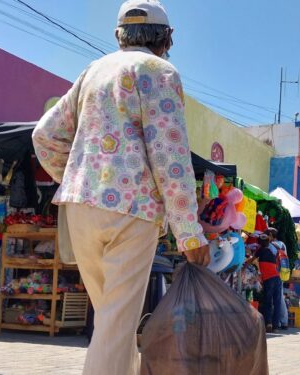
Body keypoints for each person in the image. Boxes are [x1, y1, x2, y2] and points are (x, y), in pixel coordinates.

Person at [32, 1, 209, 374]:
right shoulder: (160, 71)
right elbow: (170, 158)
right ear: (168, 37)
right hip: (132, 211)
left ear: (119, 35)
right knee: (116, 324)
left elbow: (44, 135)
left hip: (80, 206)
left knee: (114, 321)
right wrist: (190, 236)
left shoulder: (93, 70)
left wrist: (79, 177)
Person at [247, 233, 282, 333]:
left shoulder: (260, 251)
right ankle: (275, 326)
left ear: (259, 243)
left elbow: (251, 260)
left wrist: (244, 265)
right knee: (277, 302)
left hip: (269, 279)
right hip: (277, 278)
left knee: (268, 302)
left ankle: (269, 324)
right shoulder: (271, 252)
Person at [268, 228, 289, 330]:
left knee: (277, 298)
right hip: (283, 271)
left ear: (271, 235)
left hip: (274, 273)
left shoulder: (271, 245)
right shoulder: (282, 244)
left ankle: (283, 321)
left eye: (267, 235)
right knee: (279, 297)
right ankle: (282, 321)